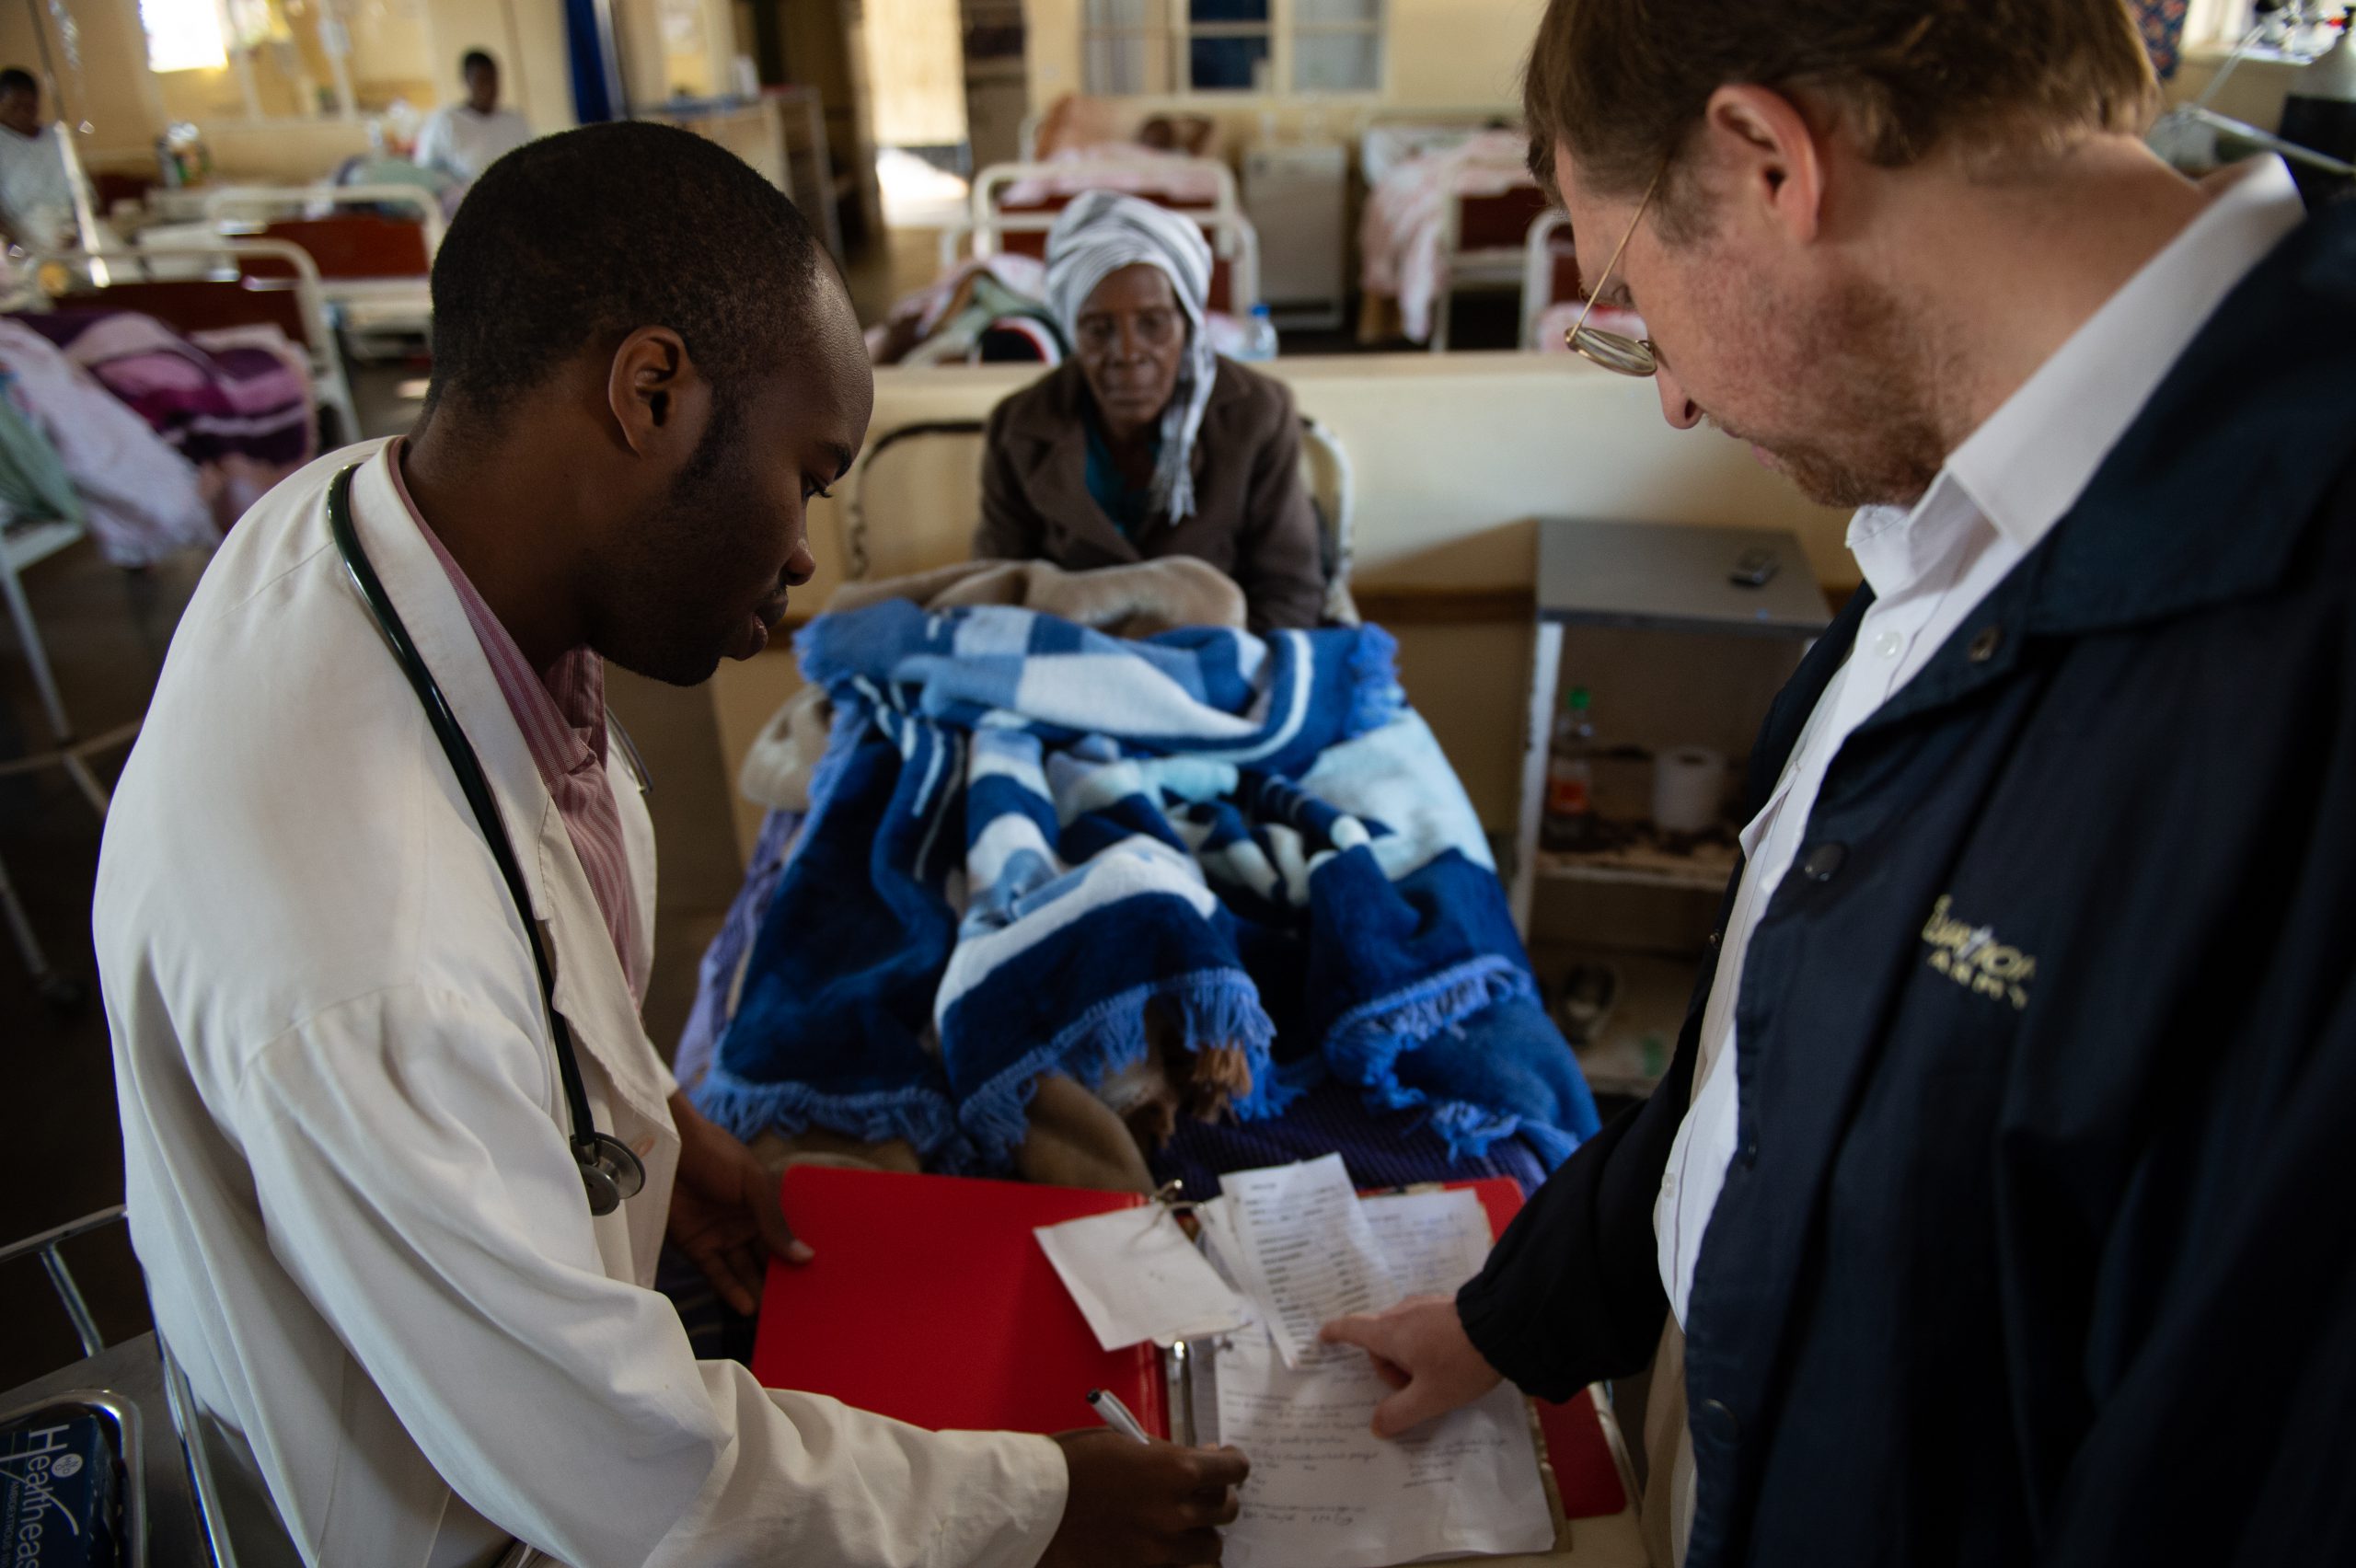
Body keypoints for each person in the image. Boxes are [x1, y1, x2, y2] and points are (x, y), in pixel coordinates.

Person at [98, 121, 1244, 1568]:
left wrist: (661, 1129)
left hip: (510, 1366)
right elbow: (631, 1480)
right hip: (461, 1522)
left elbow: (531, 936)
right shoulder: (371, 958)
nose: (808, 555)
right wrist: (1048, 1504)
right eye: (809, 474)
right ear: (651, 391)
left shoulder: (356, 529)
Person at [1320, 2, 2356, 1565]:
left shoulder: (2293, 651)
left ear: (1764, 162)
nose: (1667, 395)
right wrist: (1513, 1317)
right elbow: (1768, 1061)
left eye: (1628, 295)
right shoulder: (1947, 528)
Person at [976, 191, 1327, 632]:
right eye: (1098, 329)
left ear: (1188, 325)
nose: (1127, 353)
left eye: (1153, 323)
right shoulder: (1019, 427)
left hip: (1217, 667)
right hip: (1072, 671)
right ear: (1071, 332)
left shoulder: (1257, 416)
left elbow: (1288, 593)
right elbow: (1002, 593)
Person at [413, 49, 533, 186]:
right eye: (482, 81)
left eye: (493, 80)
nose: (489, 88)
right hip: (464, 198)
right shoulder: (445, 122)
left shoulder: (514, 120)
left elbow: (530, 161)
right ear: (466, 80)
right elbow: (427, 170)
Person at [0, 66, 76, 251]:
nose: (23, 113)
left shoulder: (57, 137)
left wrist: (74, 229)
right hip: (24, 235)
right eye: (15, 107)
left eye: (29, 106)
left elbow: (82, 190)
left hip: (73, 229)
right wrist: (13, 244)